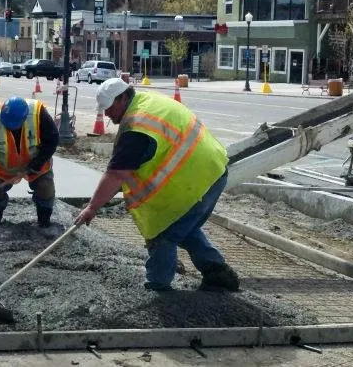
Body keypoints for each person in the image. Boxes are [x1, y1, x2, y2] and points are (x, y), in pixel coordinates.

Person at [74, 78, 239, 292]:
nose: (107, 114)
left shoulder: (136, 127)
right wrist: (100, 200)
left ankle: (158, 288)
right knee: (184, 227)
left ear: (122, 98)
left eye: (110, 107)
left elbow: (116, 175)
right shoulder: (148, 102)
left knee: (163, 233)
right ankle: (218, 273)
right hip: (214, 171)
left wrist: (92, 208)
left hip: (194, 183)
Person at [0, 96, 59, 227]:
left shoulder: (38, 113)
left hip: (35, 163)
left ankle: (44, 222)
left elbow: (52, 139)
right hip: (3, 167)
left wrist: (38, 162)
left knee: (45, 186)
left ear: (24, 118)